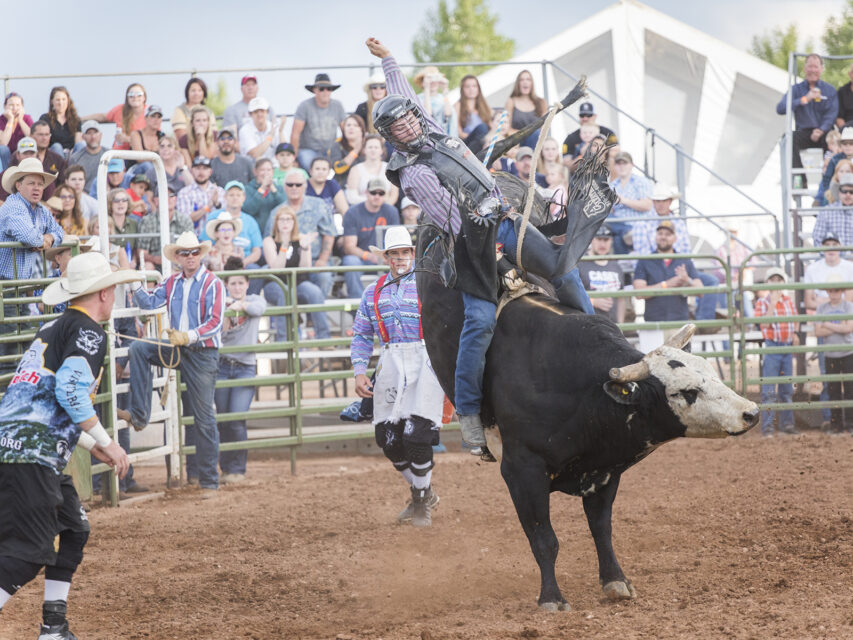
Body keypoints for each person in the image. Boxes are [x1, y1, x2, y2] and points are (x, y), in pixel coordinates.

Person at [367, 37, 599, 453]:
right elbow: (449, 214)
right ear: (391, 137)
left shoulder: (433, 133)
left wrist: (388, 60)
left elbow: (404, 94)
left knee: (563, 270)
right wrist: (493, 251)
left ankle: (595, 339)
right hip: (471, 243)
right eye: (398, 126)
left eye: (409, 119)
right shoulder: (413, 171)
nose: (407, 125)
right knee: (480, 321)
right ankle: (470, 412)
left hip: (504, 218)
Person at [0, 251, 138, 639]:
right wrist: (107, 442)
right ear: (105, 293)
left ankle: (53, 627)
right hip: (31, 455)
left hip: (18, 448)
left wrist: (81, 439)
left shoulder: (51, 329)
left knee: (73, 528)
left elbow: (35, 399)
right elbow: (70, 392)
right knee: (28, 552)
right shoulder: (91, 333)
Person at [350, 226, 445, 527]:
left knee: (416, 434)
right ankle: (423, 492)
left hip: (426, 359)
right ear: (387, 257)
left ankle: (420, 504)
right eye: (395, 253)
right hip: (391, 358)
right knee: (387, 438)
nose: (400, 258)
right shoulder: (373, 291)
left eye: (405, 252)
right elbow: (362, 335)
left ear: (412, 254)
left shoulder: (430, 285)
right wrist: (359, 371)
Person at [126, 232, 226, 494]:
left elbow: (215, 323)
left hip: (202, 353)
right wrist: (135, 282)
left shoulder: (213, 284)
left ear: (200, 255)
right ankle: (139, 413)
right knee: (138, 348)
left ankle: (209, 481)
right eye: (185, 253)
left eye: (194, 252)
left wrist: (188, 335)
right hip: (180, 348)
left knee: (203, 418)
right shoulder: (171, 283)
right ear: (178, 257)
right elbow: (148, 302)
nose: (190, 257)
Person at [215, 256, 266, 483]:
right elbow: (217, 333)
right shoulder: (220, 305)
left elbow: (258, 308)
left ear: (247, 284)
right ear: (226, 285)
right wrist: (227, 312)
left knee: (237, 417)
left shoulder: (253, 299)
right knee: (224, 419)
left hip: (245, 366)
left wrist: (241, 305)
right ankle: (226, 468)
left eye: (240, 283)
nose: (236, 287)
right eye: (232, 283)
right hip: (223, 366)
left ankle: (237, 468)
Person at [262, 205, 330, 341]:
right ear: (276, 223)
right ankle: (284, 340)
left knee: (315, 292)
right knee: (285, 292)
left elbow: (305, 267)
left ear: (294, 222)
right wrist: (284, 246)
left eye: (289, 219)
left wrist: (304, 248)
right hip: (275, 284)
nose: (285, 223)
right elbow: (276, 268)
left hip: (297, 282)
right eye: (282, 220)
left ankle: (324, 338)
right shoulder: (269, 241)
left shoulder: (302, 239)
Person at [632, 220, 702, 350]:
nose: (663, 236)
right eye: (660, 233)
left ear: (675, 238)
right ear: (656, 236)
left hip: (679, 323)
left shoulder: (685, 260)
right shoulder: (645, 261)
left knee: (680, 366)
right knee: (654, 367)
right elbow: (639, 293)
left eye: (668, 234)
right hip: (654, 323)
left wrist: (687, 280)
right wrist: (667, 285)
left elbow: (701, 290)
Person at [270, 169, 336, 295]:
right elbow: (270, 238)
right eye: (290, 184)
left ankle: (317, 312)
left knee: (324, 277)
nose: (294, 188)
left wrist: (323, 259)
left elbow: (329, 233)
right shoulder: (276, 212)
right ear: (284, 187)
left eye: (298, 184)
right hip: (286, 265)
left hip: (315, 261)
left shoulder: (319, 205)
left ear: (305, 186)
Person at [776, 53, 838, 186]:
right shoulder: (796, 89)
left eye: (816, 67)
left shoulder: (829, 90)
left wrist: (821, 130)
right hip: (804, 132)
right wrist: (804, 99)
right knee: (788, 139)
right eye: (810, 66)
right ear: (805, 68)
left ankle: (829, 183)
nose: (813, 70)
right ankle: (799, 180)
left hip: (824, 132)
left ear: (821, 69)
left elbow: (832, 114)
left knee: (834, 141)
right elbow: (780, 108)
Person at [0, 158, 64, 280]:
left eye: (40, 184)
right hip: (4, 283)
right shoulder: (13, 206)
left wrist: (49, 238)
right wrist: (42, 241)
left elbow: (59, 231)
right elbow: (29, 237)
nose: (37, 188)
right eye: (31, 183)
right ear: (18, 186)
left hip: (20, 282)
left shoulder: (41, 209)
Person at [754, 267, 799, 437]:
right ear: (768, 282)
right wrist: (772, 304)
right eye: (772, 279)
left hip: (786, 346)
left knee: (786, 389)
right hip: (772, 346)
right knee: (769, 390)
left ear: (783, 282)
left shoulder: (788, 300)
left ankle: (787, 425)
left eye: (779, 279)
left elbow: (795, 320)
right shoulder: (763, 303)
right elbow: (763, 325)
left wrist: (795, 333)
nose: (776, 282)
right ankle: (768, 427)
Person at [342, 177, 400, 299]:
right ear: (366, 193)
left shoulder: (392, 211)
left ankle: (400, 302)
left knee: (405, 260)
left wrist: (386, 257)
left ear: (385, 195)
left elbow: (397, 242)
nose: (377, 196)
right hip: (362, 258)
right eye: (373, 192)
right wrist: (371, 256)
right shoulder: (353, 212)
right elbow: (349, 247)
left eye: (381, 193)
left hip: (386, 258)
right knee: (350, 261)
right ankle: (357, 304)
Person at [814, 274, 853, 434]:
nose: (834, 294)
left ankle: (850, 424)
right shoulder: (822, 308)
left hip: (848, 352)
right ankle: (836, 425)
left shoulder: (849, 306)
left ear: (842, 291)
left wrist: (827, 324)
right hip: (830, 354)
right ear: (828, 292)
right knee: (833, 391)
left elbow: (848, 328)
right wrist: (839, 325)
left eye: (837, 290)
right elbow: (817, 331)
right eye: (831, 291)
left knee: (851, 390)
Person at [291, 73, 347, 169]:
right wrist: (293, 158)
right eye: (321, 88)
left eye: (328, 88)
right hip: (308, 150)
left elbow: (345, 130)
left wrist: (349, 150)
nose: (325, 91)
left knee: (341, 165)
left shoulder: (338, 106)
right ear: (315, 90)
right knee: (314, 168)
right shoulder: (304, 106)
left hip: (331, 151)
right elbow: (295, 134)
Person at [607, 151, 652, 256]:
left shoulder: (641, 182)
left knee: (617, 238)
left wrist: (623, 200)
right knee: (601, 216)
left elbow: (647, 206)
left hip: (638, 224)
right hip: (620, 226)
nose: (621, 167)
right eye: (618, 164)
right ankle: (626, 232)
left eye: (625, 163)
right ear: (615, 166)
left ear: (632, 165)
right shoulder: (611, 186)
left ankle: (626, 233)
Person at [138, 185, 194, 269]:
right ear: (155, 200)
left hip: (180, 263)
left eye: (171, 196)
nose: (168, 199)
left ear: (175, 199)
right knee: (147, 267)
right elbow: (141, 252)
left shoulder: (185, 220)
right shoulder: (147, 221)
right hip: (156, 265)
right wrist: (155, 259)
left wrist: (176, 261)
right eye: (164, 195)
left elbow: (191, 248)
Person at [577, 225, 625, 323]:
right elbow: (571, 294)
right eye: (599, 239)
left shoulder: (616, 266)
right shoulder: (579, 263)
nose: (602, 244)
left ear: (611, 241)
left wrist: (621, 325)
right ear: (591, 240)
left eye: (606, 240)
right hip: (587, 325)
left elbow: (621, 299)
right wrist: (593, 301)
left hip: (612, 326)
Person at [82, 82, 147, 150]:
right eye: (131, 95)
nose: (135, 97)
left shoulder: (150, 114)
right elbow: (103, 116)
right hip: (120, 152)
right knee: (113, 160)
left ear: (144, 97)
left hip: (141, 154)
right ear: (127, 98)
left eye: (139, 94)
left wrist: (128, 139)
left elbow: (153, 140)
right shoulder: (120, 110)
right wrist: (78, 119)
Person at [176, 156, 225, 234]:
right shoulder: (184, 193)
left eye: (205, 168)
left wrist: (217, 204)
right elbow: (185, 220)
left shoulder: (220, 191)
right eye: (198, 168)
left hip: (216, 240)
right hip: (194, 241)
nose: (201, 172)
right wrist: (207, 208)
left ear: (210, 171)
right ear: (192, 170)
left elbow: (226, 217)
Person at [345, 134, 399, 205]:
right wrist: (374, 202)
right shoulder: (355, 170)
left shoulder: (390, 169)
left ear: (381, 150)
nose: (373, 150)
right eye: (370, 147)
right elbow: (352, 197)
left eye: (376, 147)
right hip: (362, 210)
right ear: (364, 150)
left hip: (386, 210)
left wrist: (383, 207)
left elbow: (394, 196)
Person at [561, 102, 617, 167]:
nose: (585, 118)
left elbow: (616, 152)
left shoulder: (608, 133)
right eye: (582, 115)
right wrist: (583, 156)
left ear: (595, 116)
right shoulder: (571, 138)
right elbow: (567, 163)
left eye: (588, 115)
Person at [504, 70, 547, 150]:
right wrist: (524, 133)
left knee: (535, 133)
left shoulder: (541, 102)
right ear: (518, 84)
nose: (525, 82)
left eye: (528, 79)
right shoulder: (511, 101)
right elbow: (507, 128)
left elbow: (544, 129)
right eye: (522, 80)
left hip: (536, 141)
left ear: (532, 83)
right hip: (517, 141)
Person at [243, 158, 286, 234]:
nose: (266, 173)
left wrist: (273, 189)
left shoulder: (279, 189)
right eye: (262, 170)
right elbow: (249, 210)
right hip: (255, 231)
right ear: (255, 172)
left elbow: (284, 206)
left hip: (276, 232)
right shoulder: (248, 189)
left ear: (273, 172)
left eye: (269, 170)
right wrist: (262, 188)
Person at [238, 98, 285, 164]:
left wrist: (281, 132)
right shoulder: (245, 130)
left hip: (273, 168)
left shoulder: (274, 126)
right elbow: (255, 154)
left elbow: (285, 150)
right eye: (256, 112)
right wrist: (270, 136)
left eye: (262, 111)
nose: (259, 114)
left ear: (267, 112)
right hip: (252, 168)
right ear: (250, 114)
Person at [814, 174, 853, 252]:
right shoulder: (826, 212)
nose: (848, 194)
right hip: (832, 261)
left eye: (852, 192)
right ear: (839, 192)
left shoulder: (826, 211)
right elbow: (818, 239)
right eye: (844, 191)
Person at [39, 86, 83, 156]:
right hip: (54, 155)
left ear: (68, 101)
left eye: (63, 99)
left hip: (71, 155)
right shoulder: (45, 118)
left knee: (81, 145)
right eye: (58, 100)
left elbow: (78, 141)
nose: (61, 103)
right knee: (57, 146)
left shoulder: (75, 119)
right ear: (52, 102)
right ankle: (61, 166)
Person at [815, 127, 853, 206]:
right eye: (845, 143)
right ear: (841, 145)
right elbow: (827, 179)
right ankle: (821, 208)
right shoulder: (835, 159)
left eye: (851, 143)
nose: (848, 146)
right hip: (838, 190)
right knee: (827, 194)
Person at [414, 66, 456, 137]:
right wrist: (427, 88)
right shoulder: (418, 98)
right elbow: (427, 115)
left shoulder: (442, 98)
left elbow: (448, 114)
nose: (433, 82)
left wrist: (445, 89)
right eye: (430, 78)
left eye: (435, 78)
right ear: (422, 82)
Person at [455, 74, 492, 154]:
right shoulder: (458, 105)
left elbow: (491, 127)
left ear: (478, 88)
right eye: (467, 87)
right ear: (462, 89)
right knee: (482, 127)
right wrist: (478, 137)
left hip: (483, 142)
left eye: (474, 86)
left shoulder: (484, 106)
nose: (471, 89)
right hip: (467, 142)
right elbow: (459, 133)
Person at [68, 120, 107, 192]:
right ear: (83, 137)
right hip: (83, 197)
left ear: (101, 135)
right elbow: (71, 183)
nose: (93, 137)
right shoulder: (76, 158)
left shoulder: (109, 154)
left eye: (95, 132)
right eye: (89, 133)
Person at [329, 114, 366, 187]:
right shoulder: (337, 145)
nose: (351, 128)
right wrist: (356, 150)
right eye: (348, 125)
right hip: (344, 185)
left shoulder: (369, 145)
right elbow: (338, 168)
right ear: (344, 129)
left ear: (361, 129)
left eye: (355, 125)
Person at [107, 187, 139, 265]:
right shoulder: (105, 223)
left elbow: (135, 248)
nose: (120, 203)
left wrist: (134, 261)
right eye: (116, 201)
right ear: (110, 203)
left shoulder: (134, 223)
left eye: (124, 200)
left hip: (130, 265)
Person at [837, 62, 853, 130]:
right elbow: (839, 118)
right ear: (849, 74)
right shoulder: (841, 92)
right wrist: (846, 132)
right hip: (848, 129)